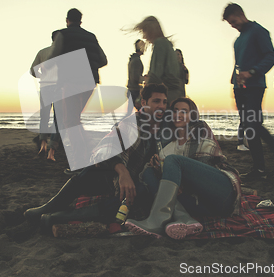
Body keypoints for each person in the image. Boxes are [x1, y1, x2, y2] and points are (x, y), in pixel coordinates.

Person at [24, 83, 170, 232]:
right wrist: (122, 172)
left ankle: (59, 217)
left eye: (165, 102)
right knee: (92, 170)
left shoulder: (165, 129)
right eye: (156, 101)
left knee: (139, 191)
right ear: (144, 103)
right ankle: (48, 208)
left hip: (138, 185)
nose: (162, 106)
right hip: (116, 179)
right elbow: (107, 147)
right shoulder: (131, 124)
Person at [124, 97, 242, 239]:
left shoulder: (200, 130)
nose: (178, 115)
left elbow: (207, 164)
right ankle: (185, 218)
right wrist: (157, 168)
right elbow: (166, 178)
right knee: (148, 171)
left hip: (220, 193)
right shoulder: (165, 144)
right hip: (200, 204)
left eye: (184, 111)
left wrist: (180, 181)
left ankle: (157, 220)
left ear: (192, 115)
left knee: (173, 160)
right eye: (175, 111)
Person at [222, 3, 274, 180]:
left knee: (253, 124)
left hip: (255, 86)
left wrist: (252, 72)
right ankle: (259, 170)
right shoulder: (238, 40)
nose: (233, 26)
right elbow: (239, 65)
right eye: (230, 24)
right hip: (239, 88)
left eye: (234, 21)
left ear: (240, 14)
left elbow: (271, 56)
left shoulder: (258, 31)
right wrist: (234, 82)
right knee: (249, 127)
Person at [45, 8, 108, 165]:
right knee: (74, 120)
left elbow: (53, 56)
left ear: (67, 20)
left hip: (71, 82)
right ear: (81, 21)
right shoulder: (91, 37)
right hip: (89, 82)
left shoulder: (63, 34)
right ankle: (87, 154)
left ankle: (83, 159)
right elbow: (103, 60)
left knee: (69, 121)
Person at [132, 16, 183, 106]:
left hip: (167, 96)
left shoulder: (160, 43)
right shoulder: (167, 44)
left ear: (151, 30)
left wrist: (141, 99)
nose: (144, 36)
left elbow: (155, 75)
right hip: (175, 94)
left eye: (144, 31)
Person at [29, 31, 58, 157]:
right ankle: (53, 148)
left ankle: (42, 144)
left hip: (45, 86)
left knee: (44, 116)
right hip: (59, 87)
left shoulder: (43, 52)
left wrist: (41, 75)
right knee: (58, 118)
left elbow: (32, 70)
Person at [126, 39, 145, 115]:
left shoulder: (133, 59)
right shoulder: (136, 60)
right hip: (135, 90)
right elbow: (135, 77)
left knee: (130, 112)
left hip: (131, 89)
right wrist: (145, 79)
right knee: (142, 111)